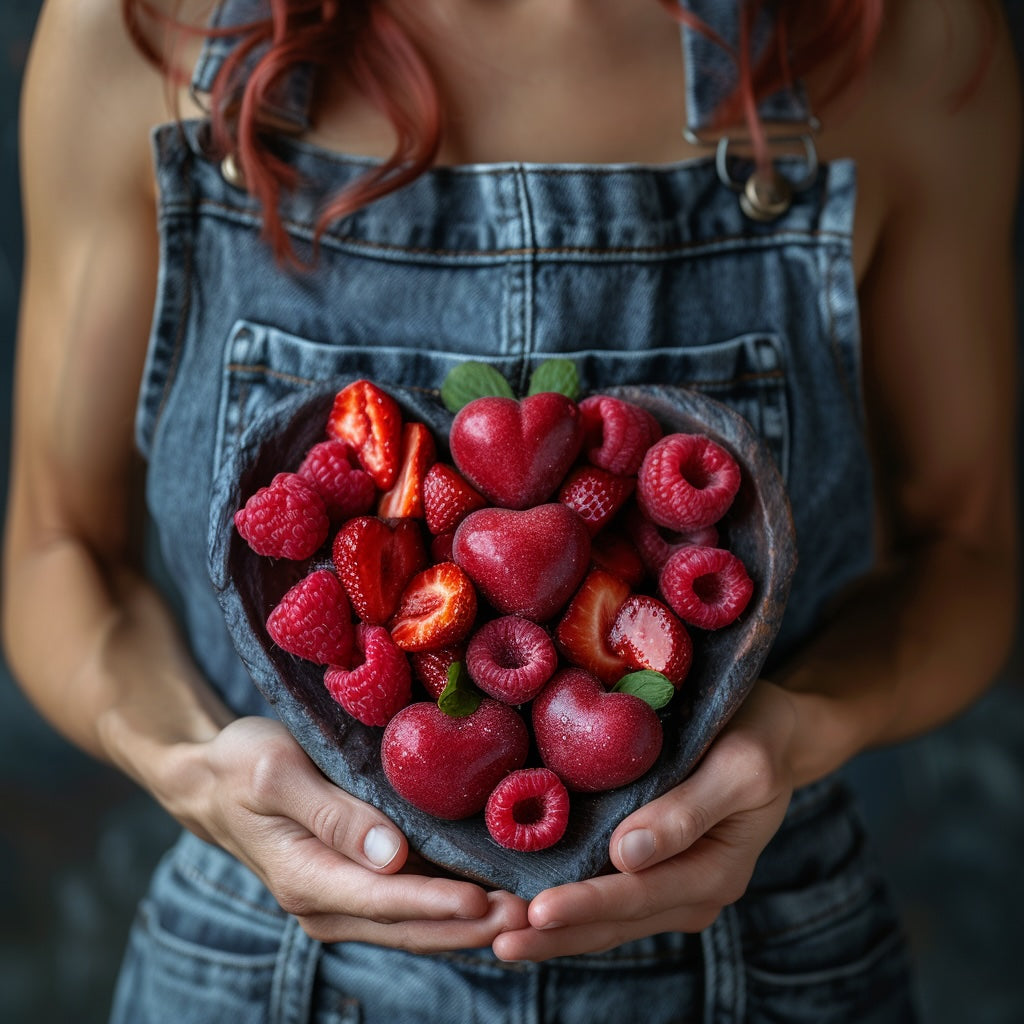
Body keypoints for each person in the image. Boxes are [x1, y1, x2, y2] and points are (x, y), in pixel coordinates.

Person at [3, 0, 1019, 1020]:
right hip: (260, 972)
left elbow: (965, 552)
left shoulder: (903, 39)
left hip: (763, 965)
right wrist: (191, 763)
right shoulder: (141, 29)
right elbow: (59, 548)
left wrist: (793, 734)